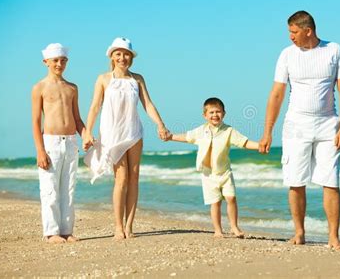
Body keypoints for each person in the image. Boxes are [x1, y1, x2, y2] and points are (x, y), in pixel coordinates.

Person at [259, 11, 340, 249]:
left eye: (293, 32)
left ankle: (333, 237)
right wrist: (267, 131)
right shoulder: (287, 55)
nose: (290, 37)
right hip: (296, 125)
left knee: (331, 180)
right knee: (296, 180)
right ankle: (299, 233)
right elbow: (277, 94)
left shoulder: (335, 50)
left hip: (328, 124)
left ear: (308, 30)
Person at [83, 37, 170, 240]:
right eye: (119, 54)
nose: (123, 58)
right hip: (113, 135)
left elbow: (148, 104)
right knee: (121, 179)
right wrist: (88, 131)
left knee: (134, 178)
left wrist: (161, 124)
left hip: (134, 132)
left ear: (131, 57)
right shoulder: (103, 79)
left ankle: (129, 226)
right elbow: (95, 106)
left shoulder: (137, 79)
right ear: (112, 56)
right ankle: (117, 226)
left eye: (126, 54)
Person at [167, 97, 259, 238]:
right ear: (205, 115)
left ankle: (234, 227)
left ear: (224, 113)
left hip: (225, 173)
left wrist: (260, 146)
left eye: (218, 112)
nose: (215, 115)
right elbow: (186, 137)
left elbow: (244, 143)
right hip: (208, 175)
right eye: (211, 112)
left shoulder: (229, 131)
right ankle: (218, 230)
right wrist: (170, 136)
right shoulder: (201, 131)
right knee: (215, 203)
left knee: (231, 199)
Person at [32, 43, 85, 244]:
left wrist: (85, 135)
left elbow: (77, 119)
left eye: (63, 60)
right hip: (50, 143)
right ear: (46, 62)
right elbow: (36, 122)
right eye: (55, 60)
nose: (59, 64)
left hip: (70, 142)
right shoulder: (39, 88)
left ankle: (66, 230)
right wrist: (40, 150)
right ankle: (51, 232)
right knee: (50, 189)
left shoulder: (72, 88)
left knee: (68, 189)